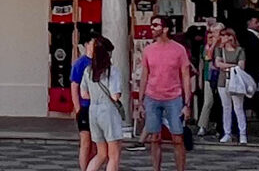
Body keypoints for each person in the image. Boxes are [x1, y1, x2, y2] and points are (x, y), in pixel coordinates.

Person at [138, 16, 193, 171]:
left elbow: (186, 76)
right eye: (152, 24)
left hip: (174, 98)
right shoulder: (148, 50)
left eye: (156, 25)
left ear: (166, 28)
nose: (152, 27)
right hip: (152, 97)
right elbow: (144, 75)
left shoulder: (179, 49)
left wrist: (187, 103)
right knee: (154, 138)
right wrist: (141, 102)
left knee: (177, 137)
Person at [81, 35, 129, 171]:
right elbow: (115, 96)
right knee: (114, 155)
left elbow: (84, 94)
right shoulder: (112, 71)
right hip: (108, 112)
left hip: (93, 111)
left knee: (100, 154)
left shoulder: (88, 70)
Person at [215, 25, 255, 144]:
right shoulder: (219, 49)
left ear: (230, 37)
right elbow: (218, 64)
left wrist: (227, 66)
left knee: (238, 107)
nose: (221, 38)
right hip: (223, 81)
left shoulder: (240, 50)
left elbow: (241, 65)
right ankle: (227, 132)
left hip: (236, 81)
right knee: (226, 108)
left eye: (224, 36)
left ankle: (242, 133)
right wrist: (233, 66)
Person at [71, 32, 95, 171]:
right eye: (93, 43)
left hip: (97, 107)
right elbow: (74, 86)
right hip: (85, 106)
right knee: (85, 141)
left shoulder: (100, 62)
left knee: (96, 142)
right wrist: (77, 108)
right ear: (86, 45)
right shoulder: (80, 63)